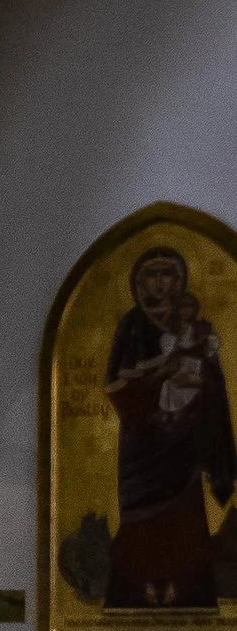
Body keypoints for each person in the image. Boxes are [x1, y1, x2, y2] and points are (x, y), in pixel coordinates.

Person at [102, 244, 235, 612]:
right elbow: (115, 384)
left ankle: (193, 597)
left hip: (186, 450)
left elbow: (214, 387)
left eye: (167, 274)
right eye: (151, 275)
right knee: (141, 524)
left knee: (185, 524)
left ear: (180, 282)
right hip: (144, 446)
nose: (159, 285)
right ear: (137, 283)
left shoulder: (196, 328)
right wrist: (158, 380)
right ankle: (130, 597)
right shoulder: (131, 326)